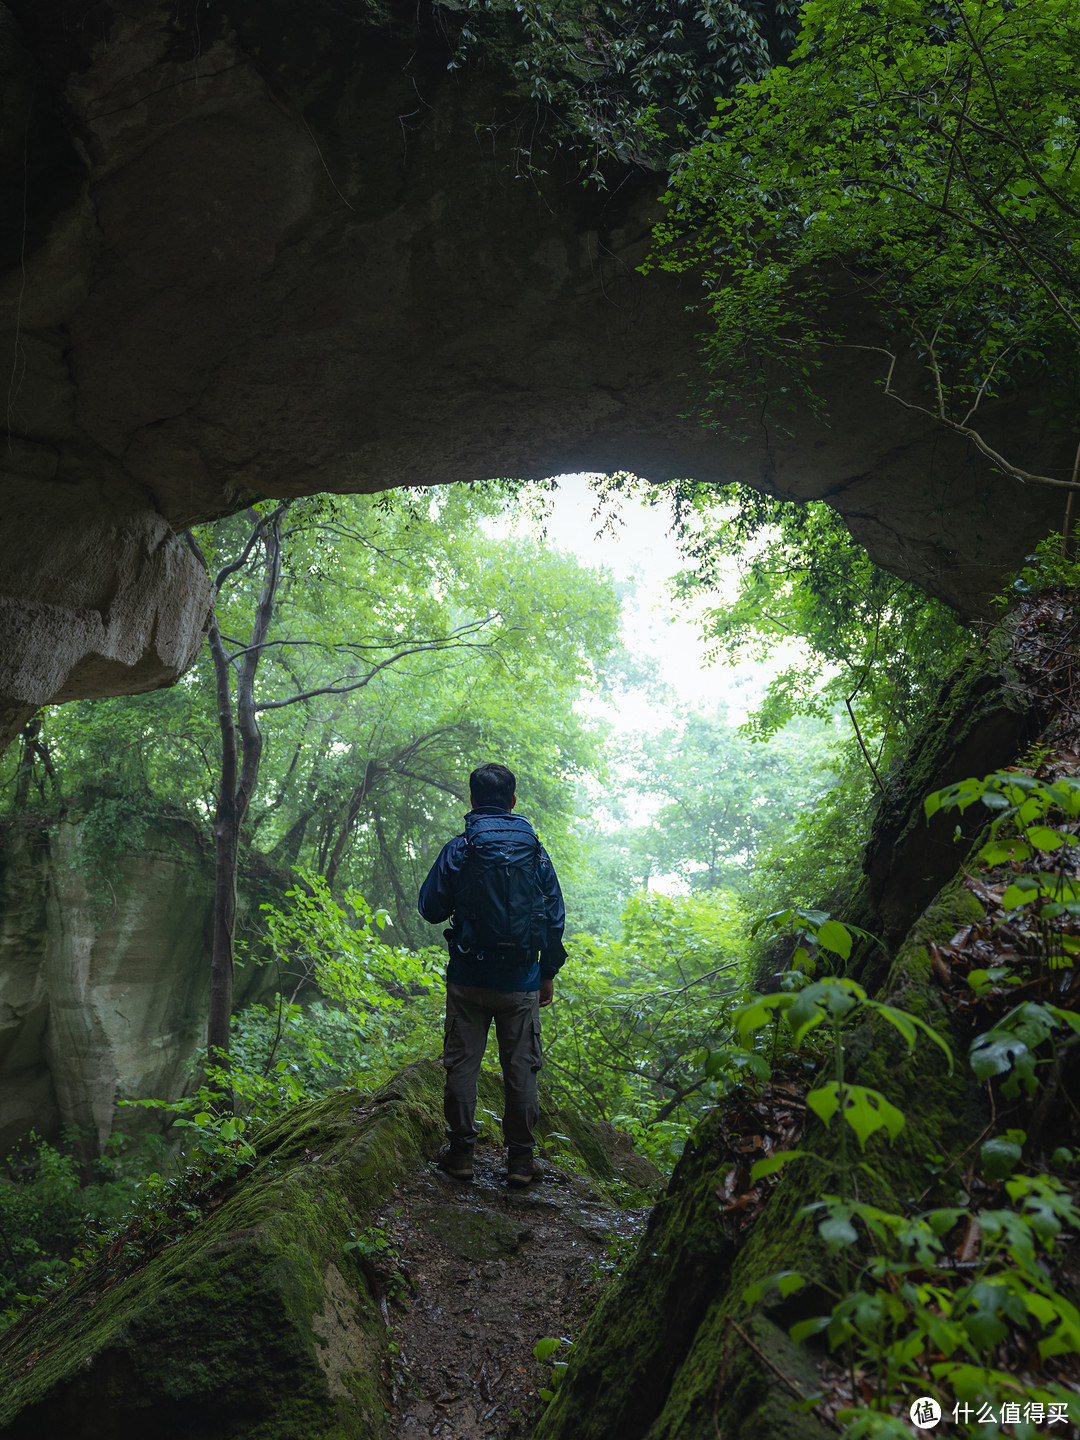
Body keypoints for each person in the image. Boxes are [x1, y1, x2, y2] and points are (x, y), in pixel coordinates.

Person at [417, 762, 567, 1186]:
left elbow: (430, 908)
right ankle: (519, 1163)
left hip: (467, 977)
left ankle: (461, 1155)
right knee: (521, 1069)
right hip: (521, 980)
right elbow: (555, 918)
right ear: (513, 802)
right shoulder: (535, 852)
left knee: (462, 1065)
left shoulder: (461, 847)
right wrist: (547, 974)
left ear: (472, 800)